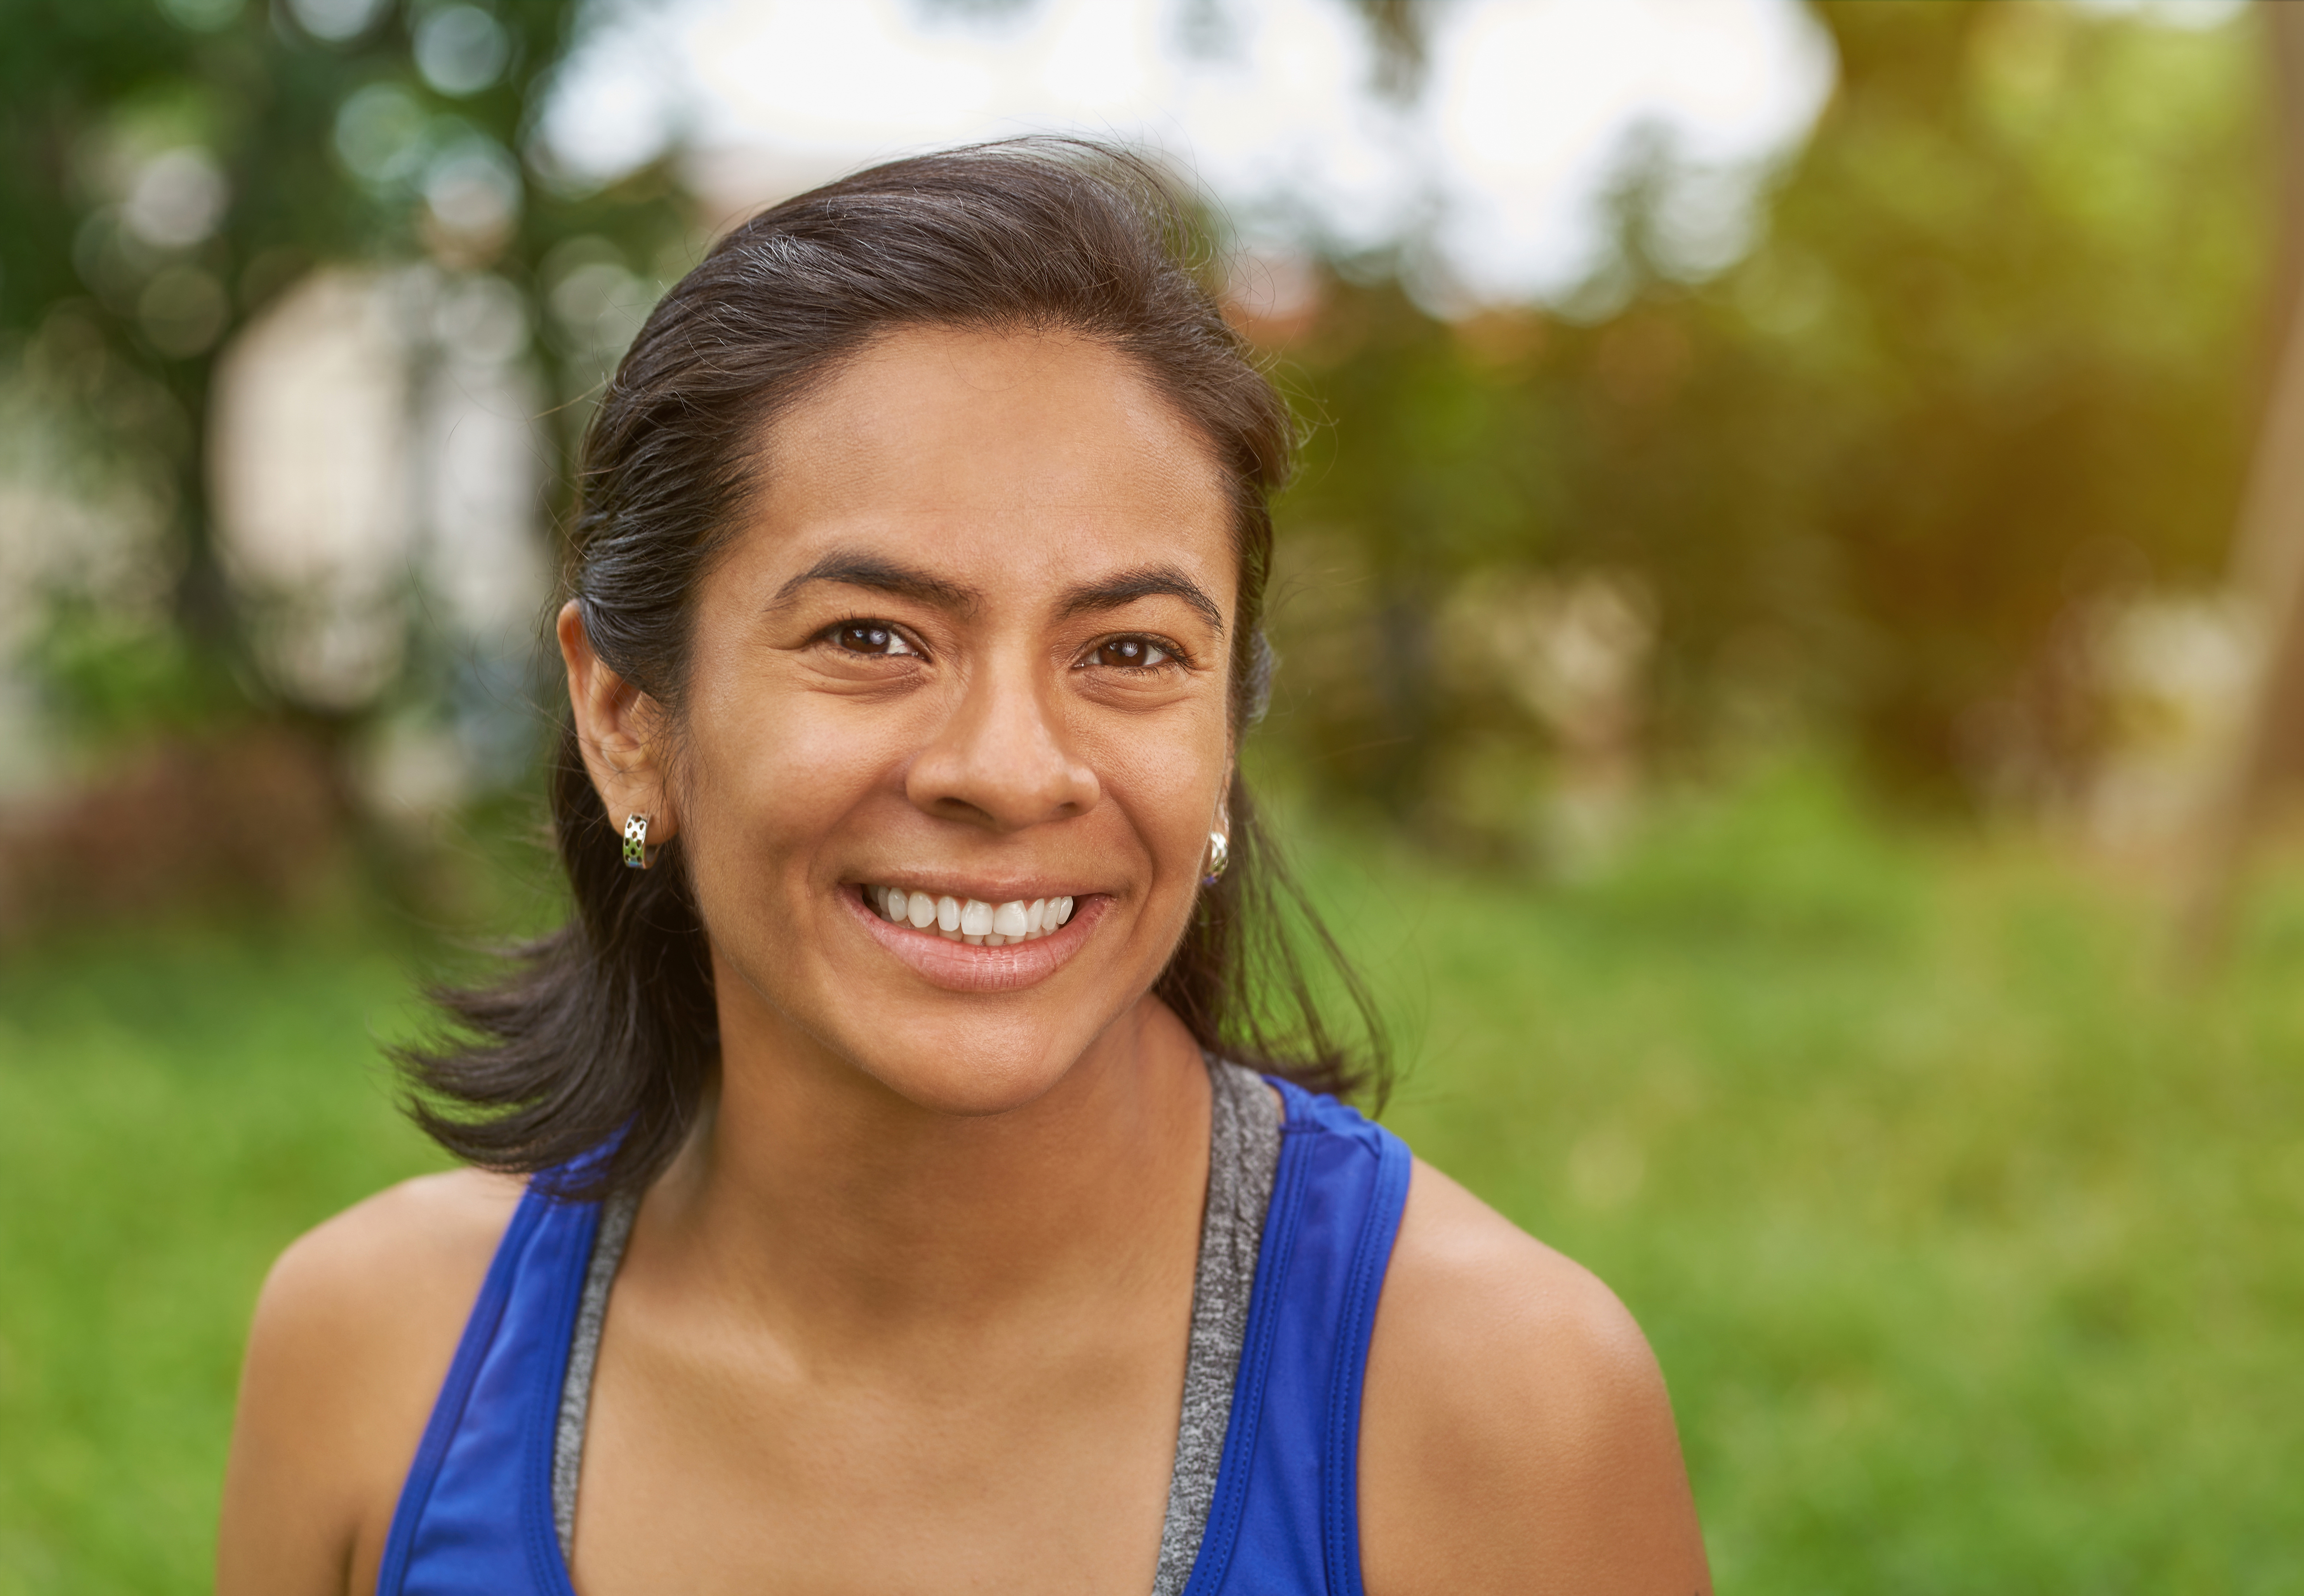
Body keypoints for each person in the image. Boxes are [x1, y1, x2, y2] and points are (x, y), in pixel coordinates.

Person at [216, 140, 1711, 1596]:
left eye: (1129, 651)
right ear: (627, 717)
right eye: (873, 636)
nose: (1006, 767)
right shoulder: (379, 1358)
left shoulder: (1498, 1404)